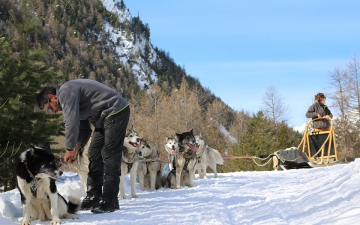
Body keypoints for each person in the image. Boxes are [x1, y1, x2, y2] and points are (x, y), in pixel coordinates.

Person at [36, 79, 130, 214]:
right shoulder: (72, 98)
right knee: (94, 153)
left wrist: (69, 148)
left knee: (110, 154)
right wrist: (76, 148)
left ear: (52, 97)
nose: (54, 112)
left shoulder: (66, 91)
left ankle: (110, 200)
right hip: (103, 119)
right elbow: (84, 129)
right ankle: (94, 196)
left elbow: (72, 122)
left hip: (115, 110)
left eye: (50, 108)